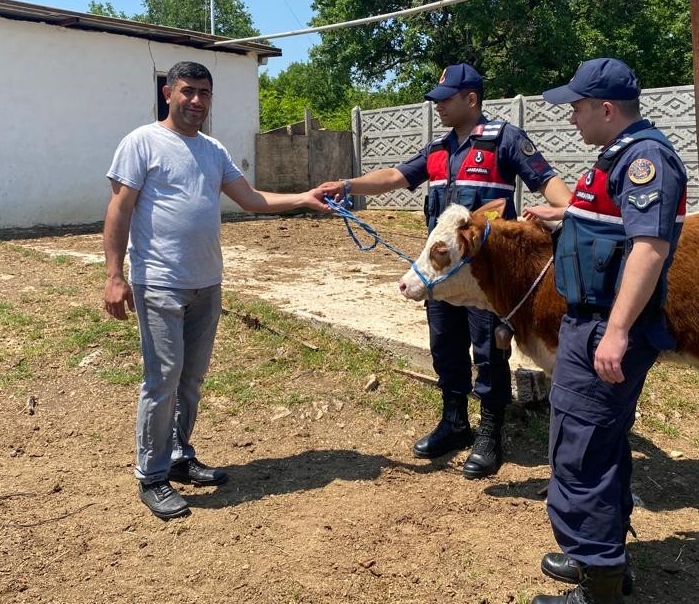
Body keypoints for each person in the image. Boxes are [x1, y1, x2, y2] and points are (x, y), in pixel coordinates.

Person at [318, 62, 570, 479]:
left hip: (485, 280)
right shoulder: (437, 150)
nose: (437, 107)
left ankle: (491, 433)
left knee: (490, 352)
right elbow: (395, 177)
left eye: (445, 100)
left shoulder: (504, 140)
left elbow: (547, 179)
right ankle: (454, 422)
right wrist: (347, 186)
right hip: (442, 273)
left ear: (471, 99)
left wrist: (570, 211)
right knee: (445, 346)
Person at [103, 60, 328, 521]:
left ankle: (180, 456)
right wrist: (114, 275)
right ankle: (151, 474)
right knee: (162, 378)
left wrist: (304, 198)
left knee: (191, 379)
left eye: (205, 93)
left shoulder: (212, 150)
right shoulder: (142, 142)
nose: (197, 101)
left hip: (207, 283)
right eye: (188, 91)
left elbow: (252, 199)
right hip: (159, 282)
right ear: (168, 93)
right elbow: (119, 210)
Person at [523, 58, 687, 604]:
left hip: (603, 327)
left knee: (583, 449)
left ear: (606, 108)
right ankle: (604, 560)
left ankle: (599, 587)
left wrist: (616, 332)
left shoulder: (645, 159)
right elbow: (613, 227)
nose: (571, 116)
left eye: (577, 106)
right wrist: (563, 218)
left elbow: (650, 247)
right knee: (595, 443)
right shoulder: (616, 155)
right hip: (586, 321)